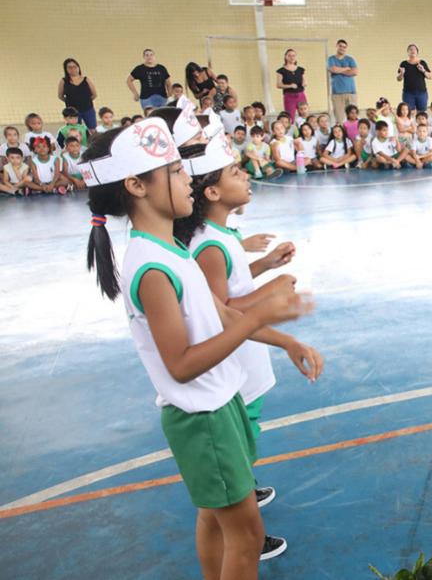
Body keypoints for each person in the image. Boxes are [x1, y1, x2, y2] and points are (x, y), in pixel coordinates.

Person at [79, 116, 320, 578]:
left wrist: (284, 339)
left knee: (217, 517)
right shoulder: (150, 267)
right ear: (136, 185)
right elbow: (182, 365)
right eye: (173, 171)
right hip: (202, 416)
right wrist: (263, 313)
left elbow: (222, 316)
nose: (186, 177)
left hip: (219, 402)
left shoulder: (170, 250)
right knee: (247, 535)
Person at [175, 135, 317, 562]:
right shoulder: (208, 243)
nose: (247, 176)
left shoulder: (220, 234)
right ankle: (242, 515)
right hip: (234, 359)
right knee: (235, 450)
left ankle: (242, 489)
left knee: (243, 444)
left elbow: (229, 286)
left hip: (243, 357)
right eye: (236, 172)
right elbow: (223, 307)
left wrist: (266, 265)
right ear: (212, 192)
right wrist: (270, 295)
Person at [58, 58, 98, 129]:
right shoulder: (63, 81)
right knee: (75, 130)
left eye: (75, 67)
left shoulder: (86, 80)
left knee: (92, 129)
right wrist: (70, 101)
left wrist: (85, 101)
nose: (73, 69)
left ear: (78, 67)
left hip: (88, 109)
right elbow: (60, 96)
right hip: (73, 112)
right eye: (70, 67)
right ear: (66, 69)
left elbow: (94, 94)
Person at [328, 39, 358, 119]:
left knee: (353, 117)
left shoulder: (350, 59)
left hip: (351, 93)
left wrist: (339, 70)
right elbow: (333, 69)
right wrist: (346, 69)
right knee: (339, 118)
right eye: (340, 46)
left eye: (344, 47)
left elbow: (354, 72)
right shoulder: (331, 59)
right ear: (337, 46)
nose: (342, 48)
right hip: (337, 93)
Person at [397, 44, 432, 112]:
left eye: (414, 49)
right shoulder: (404, 63)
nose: (412, 50)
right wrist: (401, 73)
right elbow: (398, 79)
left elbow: (430, 76)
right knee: (409, 112)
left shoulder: (422, 63)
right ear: (408, 52)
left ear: (417, 52)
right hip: (408, 93)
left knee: (421, 112)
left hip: (422, 92)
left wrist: (423, 70)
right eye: (410, 49)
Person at [276, 49, 307, 117]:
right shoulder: (281, 71)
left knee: (304, 114)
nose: (292, 57)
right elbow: (278, 85)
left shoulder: (300, 69)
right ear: (285, 57)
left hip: (301, 94)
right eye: (289, 56)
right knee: (290, 116)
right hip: (289, 96)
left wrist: (304, 83)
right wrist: (290, 86)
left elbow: (304, 81)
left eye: (293, 55)